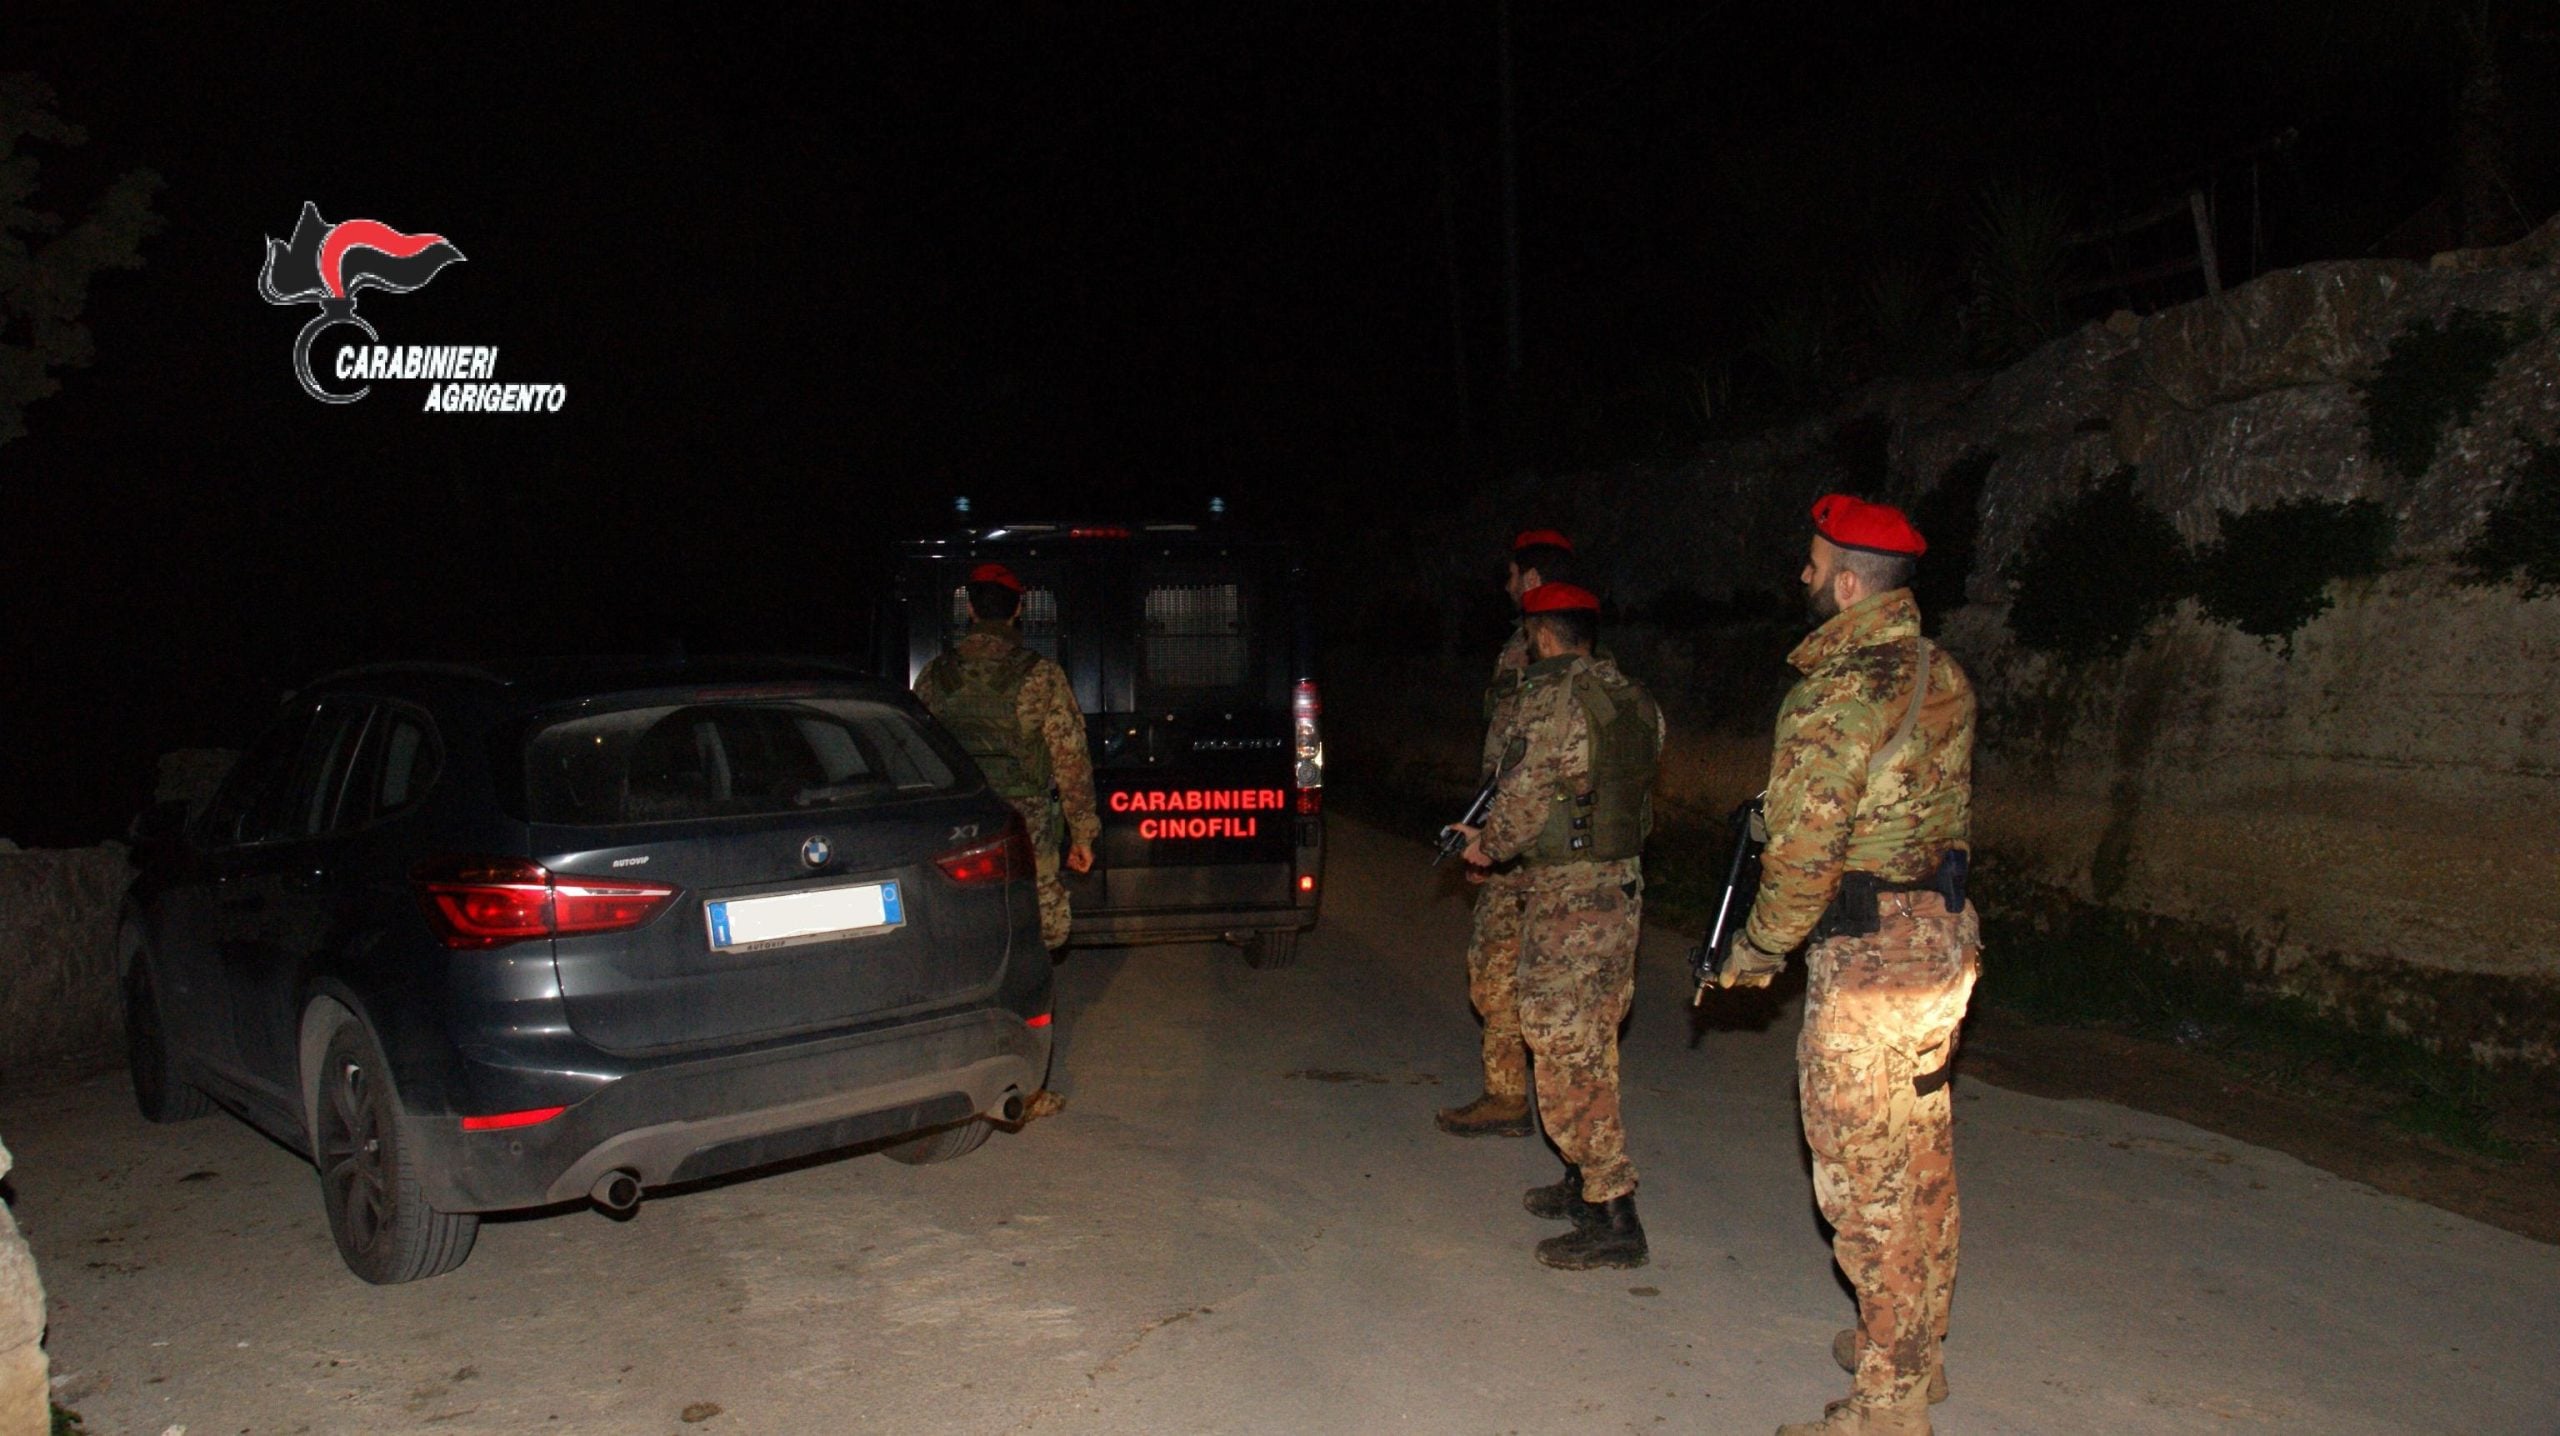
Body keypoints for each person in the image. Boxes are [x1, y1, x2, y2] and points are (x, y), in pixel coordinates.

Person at [1714, 495, 1979, 1436]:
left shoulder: (1837, 691)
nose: (1805, 575)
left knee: (1867, 1186)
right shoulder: (1942, 670)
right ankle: (1912, 1352)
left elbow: (1804, 853)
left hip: (1870, 960)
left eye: (1816, 563)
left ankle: (1887, 1408)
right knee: (1920, 1161)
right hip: (1941, 940)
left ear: (1852, 584)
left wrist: (1757, 948)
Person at [1454, 581, 1663, 1270]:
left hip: (1569, 900)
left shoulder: (1548, 697)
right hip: (1619, 887)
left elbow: (1519, 804)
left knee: (1560, 1043)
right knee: (1590, 1039)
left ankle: (1615, 1213)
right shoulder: (1632, 696)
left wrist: (1485, 846)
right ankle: (1583, 1184)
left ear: (1541, 634)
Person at [1438, 528, 1580, 1139]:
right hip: (1515, 827)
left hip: (1535, 841)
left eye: (1513, 575)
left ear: (1533, 580)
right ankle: (1509, 1098)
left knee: (1521, 977)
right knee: (1500, 971)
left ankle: (1539, 1107)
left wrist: (1492, 843)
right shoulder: (1531, 649)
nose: (1506, 587)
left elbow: (1530, 768)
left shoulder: (1551, 656)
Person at [915, 562, 1100, 954]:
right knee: (1042, 927)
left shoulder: (933, 676)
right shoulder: (1041, 675)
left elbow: (915, 756)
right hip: (1024, 821)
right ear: (1018, 609)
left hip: (959, 819)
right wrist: (1082, 834)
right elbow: (1071, 761)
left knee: (959, 920)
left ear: (970, 609)